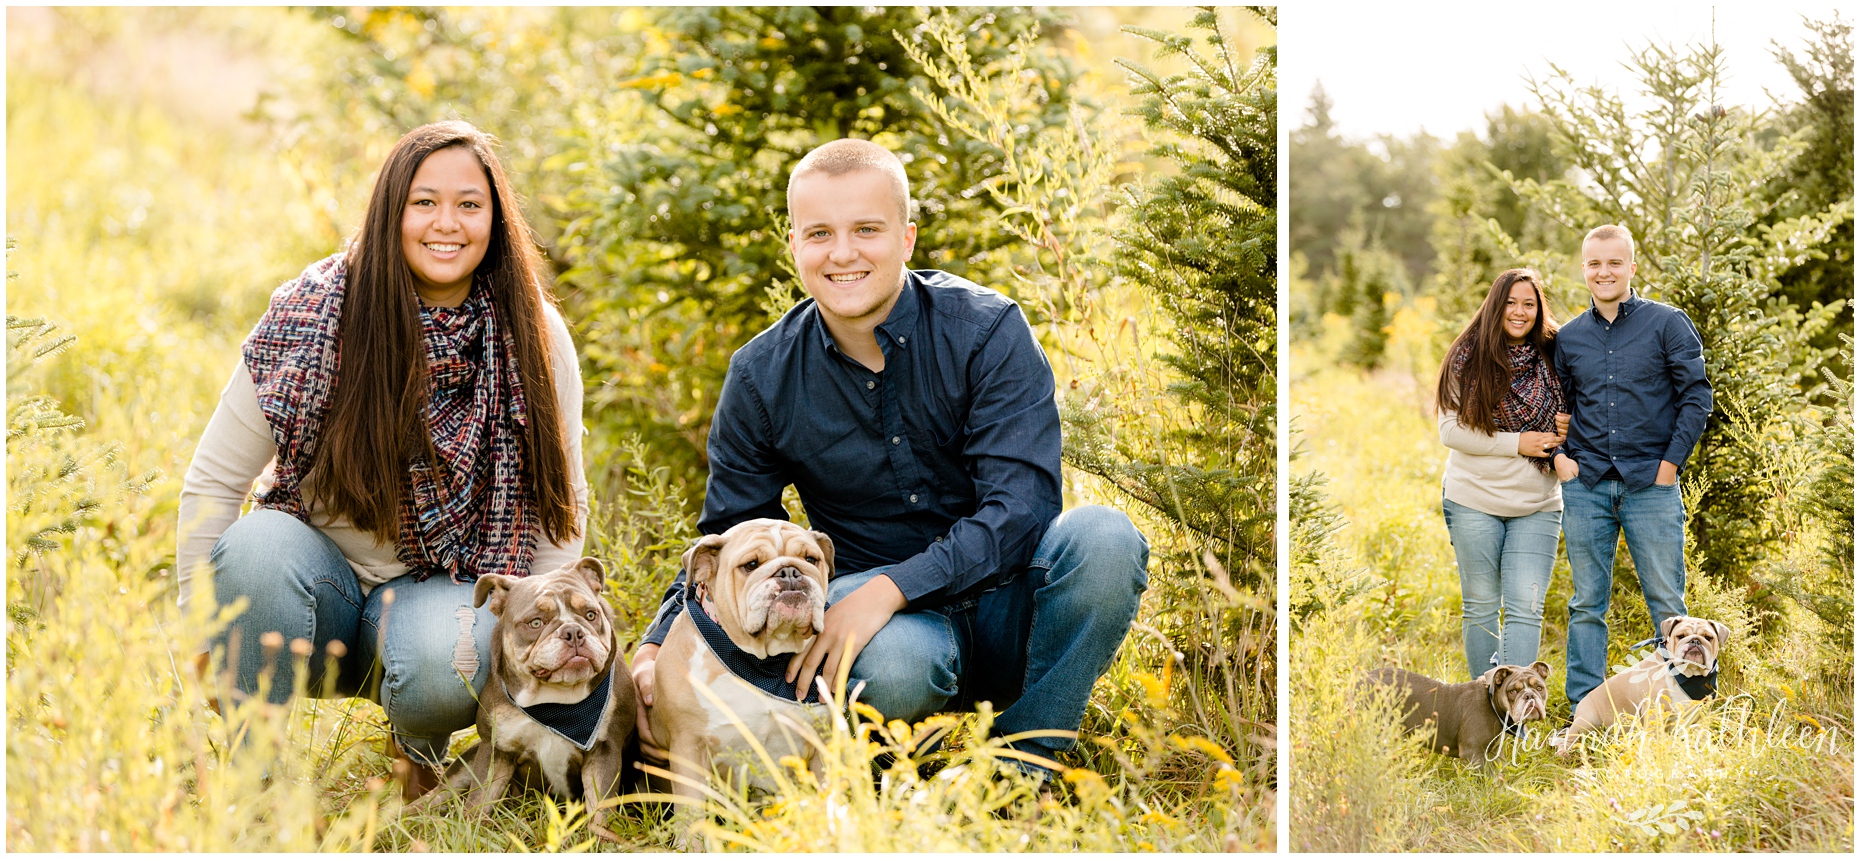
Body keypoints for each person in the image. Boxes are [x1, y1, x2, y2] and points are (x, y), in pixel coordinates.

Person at [627, 138, 1149, 773]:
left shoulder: (986, 331)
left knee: (1105, 538)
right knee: (893, 668)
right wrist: (657, 644)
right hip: (885, 637)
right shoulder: (762, 375)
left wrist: (893, 587)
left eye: (866, 230)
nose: (842, 253)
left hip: (1013, 604)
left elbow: (1022, 509)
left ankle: (1025, 767)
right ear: (793, 246)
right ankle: (892, 771)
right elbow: (729, 537)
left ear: (906, 237)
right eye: (818, 233)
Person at [175, 121, 588, 800]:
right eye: (423, 202)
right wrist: (200, 628)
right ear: (391, 209)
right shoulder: (311, 312)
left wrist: (547, 637)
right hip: (314, 585)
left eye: (469, 204)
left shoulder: (534, 330)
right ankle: (256, 779)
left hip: (442, 586)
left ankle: (414, 753)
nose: (445, 224)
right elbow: (215, 480)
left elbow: (559, 497)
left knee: (439, 666)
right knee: (252, 547)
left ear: (496, 217)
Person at [1552, 224, 1712, 710]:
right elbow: (1556, 407)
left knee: (1667, 604)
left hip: (1651, 486)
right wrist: (1560, 459)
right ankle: (1584, 710)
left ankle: (1682, 706)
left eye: (1614, 263)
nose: (1604, 272)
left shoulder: (1667, 323)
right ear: (1584, 270)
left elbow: (1697, 396)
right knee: (1586, 605)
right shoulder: (1570, 337)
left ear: (1631, 268)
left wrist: (1670, 466)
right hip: (1587, 486)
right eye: (1595, 264)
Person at [1434, 269, 1567, 678]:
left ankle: (1516, 719)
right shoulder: (1467, 357)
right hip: (1473, 499)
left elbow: (1586, 407)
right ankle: (1483, 707)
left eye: (1529, 303)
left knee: (1526, 609)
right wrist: (1518, 442)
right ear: (1495, 305)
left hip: (1537, 504)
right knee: (1481, 606)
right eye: (1510, 302)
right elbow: (1450, 431)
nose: (1519, 312)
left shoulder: (1556, 353)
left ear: (1538, 308)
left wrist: (1569, 427)